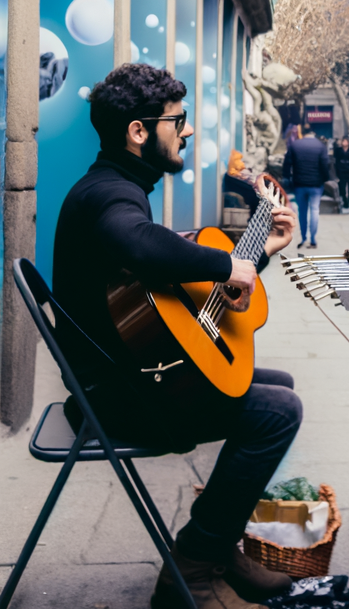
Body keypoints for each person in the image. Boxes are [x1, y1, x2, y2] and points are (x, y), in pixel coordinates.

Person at [53, 63, 300, 609]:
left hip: (132, 376)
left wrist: (261, 252)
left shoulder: (115, 186)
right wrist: (228, 265)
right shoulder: (111, 197)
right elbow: (139, 242)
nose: (186, 130)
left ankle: (219, 541)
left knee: (276, 382)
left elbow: (176, 275)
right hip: (119, 397)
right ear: (139, 132)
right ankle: (192, 565)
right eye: (177, 120)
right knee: (279, 411)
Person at [283, 124, 330, 250]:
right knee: (314, 210)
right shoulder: (320, 146)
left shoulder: (295, 145)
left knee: (302, 212)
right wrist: (325, 179)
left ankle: (303, 238)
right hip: (316, 185)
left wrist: (287, 178)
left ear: (302, 133)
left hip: (299, 184)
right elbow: (325, 165)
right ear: (313, 132)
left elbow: (287, 164)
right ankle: (313, 240)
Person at [332, 135, 349, 214]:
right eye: (343, 141)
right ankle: (344, 201)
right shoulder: (338, 150)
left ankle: (347, 202)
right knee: (342, 187)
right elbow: (335, 160)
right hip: (341, 170)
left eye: (346, 141)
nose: (344, 143)